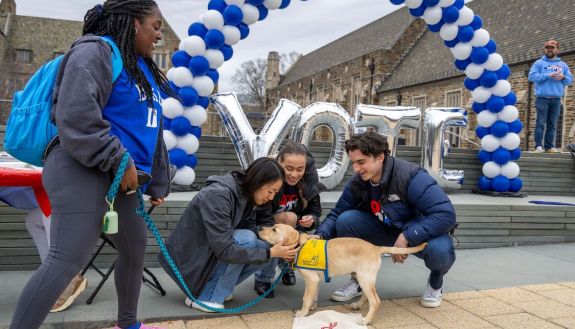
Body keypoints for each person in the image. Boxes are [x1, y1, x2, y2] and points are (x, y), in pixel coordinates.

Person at [10, 1, 174, 328]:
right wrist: (118, 157)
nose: (160, 35)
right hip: (81, 166)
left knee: (134, 246)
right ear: (133, 23)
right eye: (155, 26)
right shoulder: (96, 51)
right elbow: (75, 114)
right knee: (66, 260)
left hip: (119, 177)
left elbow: (152, 132)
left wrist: (157, 183)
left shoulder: (142, 68)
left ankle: (128, 324)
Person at [313, 131, 456, 308]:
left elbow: (445, 214)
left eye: (361, 162)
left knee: (440, 250)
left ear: (380, 157)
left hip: (417, 232)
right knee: (346, 220)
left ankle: (436, 281)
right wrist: (319, 236)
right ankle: (358, 279)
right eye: (353, 163)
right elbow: (337, 213)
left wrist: (407, 237)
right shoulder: (358, 181)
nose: (356, 169)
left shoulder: (410, 176)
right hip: (384, 230)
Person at [159, 157, 299, 313]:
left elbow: (251, 229)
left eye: (275, 193)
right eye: (270, 191)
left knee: (264, 245)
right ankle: (205, 297)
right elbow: (225, 249)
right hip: (188, 261)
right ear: (258, 182)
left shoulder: (247, 195)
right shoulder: (218, 195)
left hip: (207, 255)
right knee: (247, 240)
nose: (272, 197)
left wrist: (275, 249)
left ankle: (220, 288)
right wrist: (270, 253)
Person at [253, 141, 322, 297]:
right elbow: (261, 216)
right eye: (289, 168)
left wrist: (311, 219)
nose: (294, 174)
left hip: (291, 230)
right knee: (287, 218)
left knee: (290, 221)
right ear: (279, 163)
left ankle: (287, 267)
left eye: (300, 169)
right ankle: (263, 277)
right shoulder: (269, 179)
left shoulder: (309, 184)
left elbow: (316, 211)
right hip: (266, 227)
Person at [528, 39, 573, 153]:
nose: (550, 50)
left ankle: (549, 147)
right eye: (548, 48)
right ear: (545, 49)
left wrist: (563, 77)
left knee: (553, 124)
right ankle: (538, 146)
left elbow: (569, 80)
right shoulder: (539, 63)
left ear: (557, 50)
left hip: (557, 99)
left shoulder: (563, 65)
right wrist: (548, 75)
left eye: (552, 48)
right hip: (542, 99)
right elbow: (531, 77)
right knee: (541, 123)